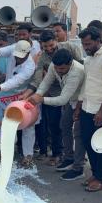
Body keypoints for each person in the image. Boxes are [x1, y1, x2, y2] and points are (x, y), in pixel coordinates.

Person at [28, 48, 85, 180]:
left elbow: (62, 99)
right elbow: (45, 83)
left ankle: (78, 168)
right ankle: (69, 158)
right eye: (57, 68)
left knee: (78, 133)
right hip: (70, 100)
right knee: (64, 126)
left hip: (82, 102)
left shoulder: (77, 72)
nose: (59, 71)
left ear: (70, 63)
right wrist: (37, 94)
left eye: (63, 69)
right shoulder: (55, 65)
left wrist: (41, 99)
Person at [74, 26, 102, 192]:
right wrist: (79, 106)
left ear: (99, 41)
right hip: (86, 107)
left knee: (100, 145)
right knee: (87, 142)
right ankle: (95, 173)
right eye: (84, 44)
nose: (86, 47)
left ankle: (100, 178)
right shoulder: (89, 59)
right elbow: (86, 84)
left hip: (100, 109)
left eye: (89, 43)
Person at [20, 30, 65, 165]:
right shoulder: (43, 57)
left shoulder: (69, 48)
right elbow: (37, 79)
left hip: (70, 92)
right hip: (50, 94)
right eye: (45, 47)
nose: (49, 49)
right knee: (53, 125)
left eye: (51, 45)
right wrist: (26, 94)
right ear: (41, 46)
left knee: (64, 126)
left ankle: (65, 155)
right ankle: (57, 154)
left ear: (56, 40)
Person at [0, 40, 36, 167]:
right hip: (7, 94)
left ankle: (28, 155)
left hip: (24, 95)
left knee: (28, 126)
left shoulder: (29, 66)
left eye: (21, 57)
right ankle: (5, 153)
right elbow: (0, 51)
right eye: (16, 55)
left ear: (28, 54)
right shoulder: (14, 48)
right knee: (8, 123)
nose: (17, 58)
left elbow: (16, 81)